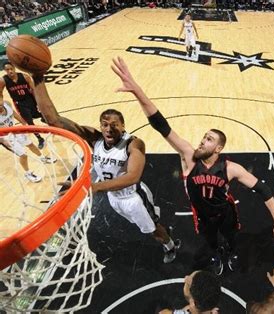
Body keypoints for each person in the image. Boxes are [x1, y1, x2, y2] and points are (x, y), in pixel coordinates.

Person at [111, 57, 274, 275]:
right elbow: (160, 124)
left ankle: (231, 252)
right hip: (202, 216)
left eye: (210, 139)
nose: (203, 140)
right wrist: (137, 91)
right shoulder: (188, 155)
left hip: (226, 212)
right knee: (210, 240)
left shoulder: (230, 168)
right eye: (204, 136)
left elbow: (264, 189)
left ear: (218, 148)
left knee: (232, 237)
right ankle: (215, 254)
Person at [30, 72, 180, 264]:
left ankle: (169, 245)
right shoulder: (95, 139)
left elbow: (132, 177)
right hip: (114, 198)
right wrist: (37, 78)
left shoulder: (134, 144)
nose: (109, 129)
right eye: (105, 125)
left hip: (134, 198)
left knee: (152, 229)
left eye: (114, 125)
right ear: (100, 127)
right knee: (143, 225)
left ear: (123, 126)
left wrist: (91, 187)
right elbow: (54, 120)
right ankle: (159, 227)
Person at [0, 100, 56, 183]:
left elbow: (14, 114)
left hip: (15, 130)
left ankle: (42, 158)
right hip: (5, 137)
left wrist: (24, 124)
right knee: (23, 155)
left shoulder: (6, 104)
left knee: (30, 144)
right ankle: (28, 173)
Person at [0, 62, 45, 149]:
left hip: (30, 100)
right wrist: (1, 100)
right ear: (5, 71)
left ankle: (52, 124)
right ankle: (40, 139)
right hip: (19, 103)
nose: (10, 71)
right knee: (29, 122)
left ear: (14, 68)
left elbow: (33, 90)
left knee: (39, 115)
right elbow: (0, 92)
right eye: (7, 70)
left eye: (11, 69)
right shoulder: (3, 81)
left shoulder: (25, 77)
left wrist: (38, 102)